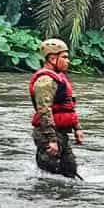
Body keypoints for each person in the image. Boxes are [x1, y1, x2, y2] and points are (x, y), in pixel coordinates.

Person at [28, 38, 85, 178]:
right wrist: (52, 140)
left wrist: (77, 128)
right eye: (64, 57)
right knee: (49, 173)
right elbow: (44, 111)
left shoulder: (59, 77)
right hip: (47, 134)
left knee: (70, 169)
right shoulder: (45, 81)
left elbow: (69, 106)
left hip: (61, 133)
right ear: (52, 58)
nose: (68, 61)